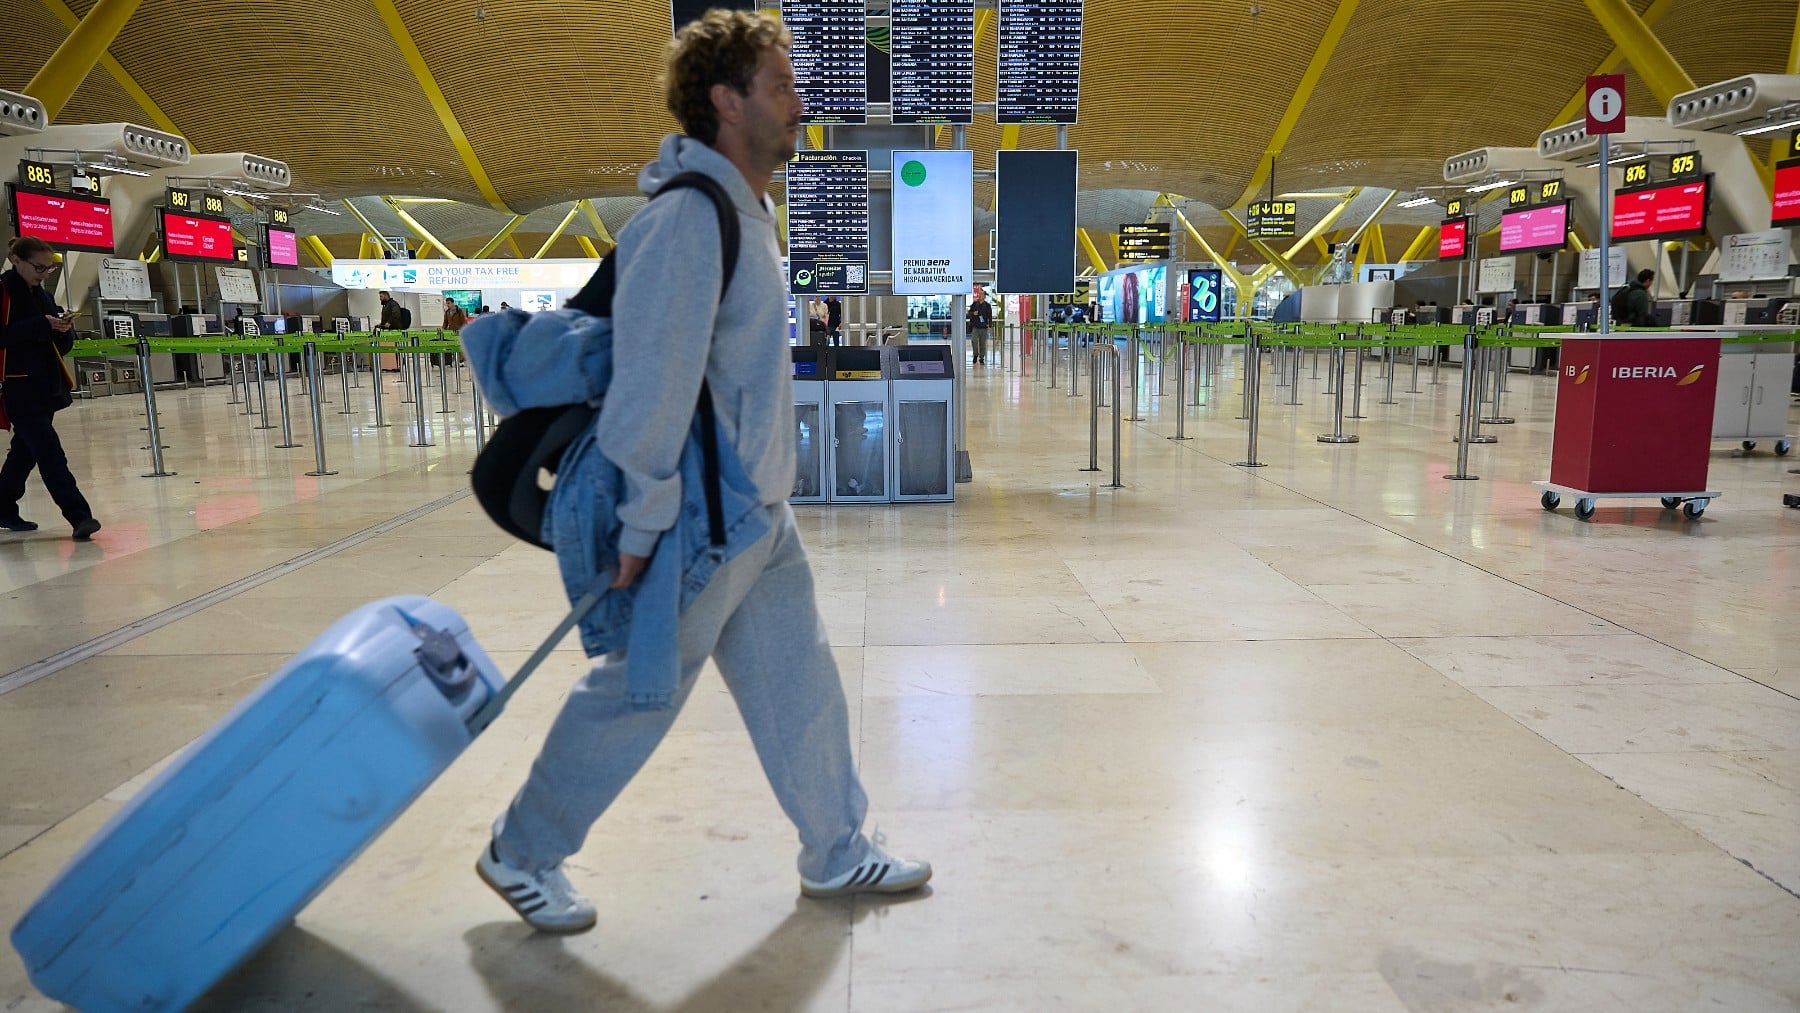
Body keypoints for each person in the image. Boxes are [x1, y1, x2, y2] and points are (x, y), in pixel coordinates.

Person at [473, 9, 930, 934]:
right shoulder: (689, 218)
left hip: (758, 508)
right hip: (698, 521)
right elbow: (652, 384)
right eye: (781, 86)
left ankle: (836, 847)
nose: (800, 102)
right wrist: (643, 523)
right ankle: (521, 850)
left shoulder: (744, 210)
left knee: (800, 682)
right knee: (638, 693)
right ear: (726, 101)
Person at [0, 237, 100, 541]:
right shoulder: (3, 292)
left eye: (49, 269)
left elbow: (58, 342)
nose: (43, 274)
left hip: (45, 386)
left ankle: (2, 506)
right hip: (17, 386)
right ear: (17, 261)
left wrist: (62, 329)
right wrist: (42, 326)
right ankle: (79, 515)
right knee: (49, 451)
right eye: (39, 267)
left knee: (25, 452)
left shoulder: (41, 294)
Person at [966, 288, 993, 366]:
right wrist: (973, 313)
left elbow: (990, 316)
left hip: (983, 327)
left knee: (982, 343)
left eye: (981, 294)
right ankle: (975, 354)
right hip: (975, 326)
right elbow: (969, 312)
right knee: (974, 341)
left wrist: (990, 325)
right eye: (979, 294)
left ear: (984, 296)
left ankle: (981, 357)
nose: (980, 295)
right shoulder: (975, 304)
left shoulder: (987, 306)